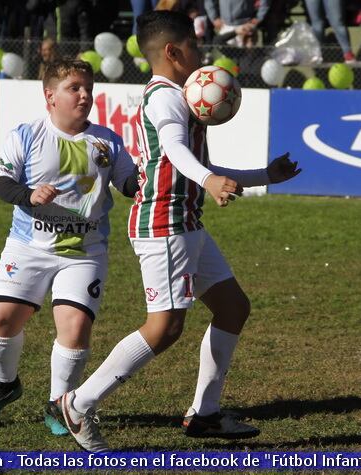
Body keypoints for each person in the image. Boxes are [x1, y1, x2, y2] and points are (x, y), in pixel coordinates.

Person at [57, 10, 300, 453]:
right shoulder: (165, 98)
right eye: (194, 47)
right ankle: (78, 403)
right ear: (172, 52)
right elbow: (175, 151)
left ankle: (205, 414)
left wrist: (264, 175)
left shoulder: (180, 94)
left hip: (185, 222)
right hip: (164, 223)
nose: (202, 56)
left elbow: (198, 166)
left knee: (233, 308)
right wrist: (207, 181)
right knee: (165, 328)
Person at [0, 58, 139, 436]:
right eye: (74, 88)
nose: (84, 95)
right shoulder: (27, 134)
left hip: (85, 252)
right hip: (28, 246)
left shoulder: (107, 141)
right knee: (1, 319)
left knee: (75, 326)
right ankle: (5, 383)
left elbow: (129, 183)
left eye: (88, 89)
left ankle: (60, 403)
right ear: (50, 96)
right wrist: (29, 194)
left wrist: (145, 183)